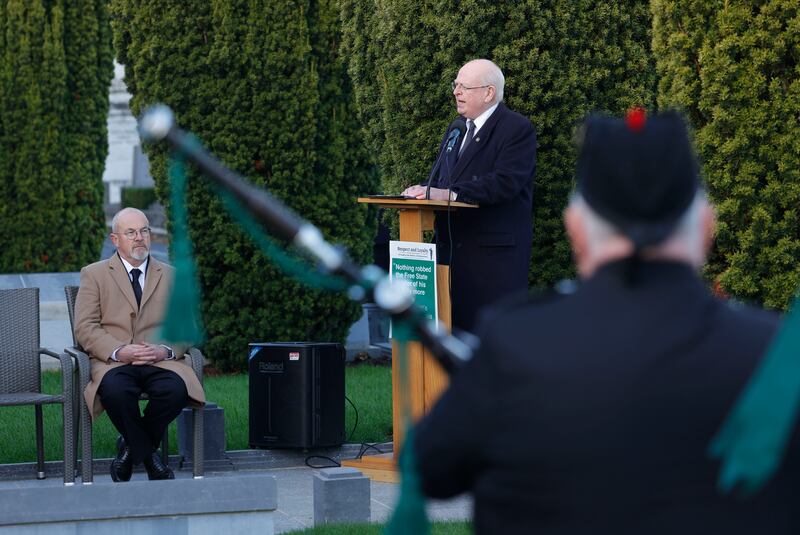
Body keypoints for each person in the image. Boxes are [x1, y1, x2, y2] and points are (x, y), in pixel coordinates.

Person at [413, 111, 800, 533]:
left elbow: (429, 468)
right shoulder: (777, 357)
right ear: (708, 229)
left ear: (575, 231)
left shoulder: (515, 343)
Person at [402, 59, 536, 332]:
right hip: (449, 259)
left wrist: (449, 193)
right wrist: (424, 193)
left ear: (488, 92)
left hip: (491, 264)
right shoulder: (457, 128)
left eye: (464, 86)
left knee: (490, 348)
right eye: (456, 85)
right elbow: (442, 180)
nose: (456, 92)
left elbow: (505, 182)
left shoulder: (516, 128)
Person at [75, 207, 205, 481]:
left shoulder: (170, 275)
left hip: (160, 359)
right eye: (131, 232)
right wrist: (119, 350)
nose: (139, 238)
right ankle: (148, 456)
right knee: (116, 391)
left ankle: (129, 450)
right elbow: (85, 327)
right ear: (115, 240)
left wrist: (164, 350)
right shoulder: (94, 274)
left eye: (144, 231)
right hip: (115, 362)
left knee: (176, 390)